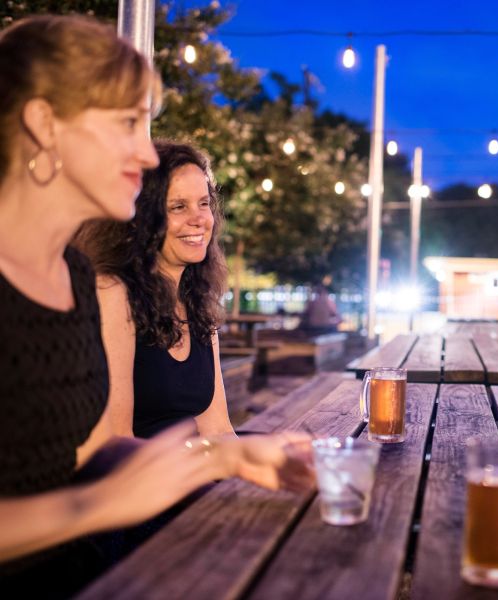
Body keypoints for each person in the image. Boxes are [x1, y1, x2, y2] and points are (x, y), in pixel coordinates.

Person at [0, 16, 311, 596]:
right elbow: (95, 489)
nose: (145, 156)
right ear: (43, 123)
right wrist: (96, 506)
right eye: (126, 125)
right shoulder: (101, 288)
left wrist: (229, 460)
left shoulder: (69, 275)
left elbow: (95, 454)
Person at [77, 141, 237, 439]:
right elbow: (117, 442)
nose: (199, 219)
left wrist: (271, 465)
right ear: (141, 220)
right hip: (134, 481)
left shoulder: (199, 300)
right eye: (178, 206)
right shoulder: (113, 293)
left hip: (193, 475)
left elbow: (217, 428)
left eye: (204, 203)